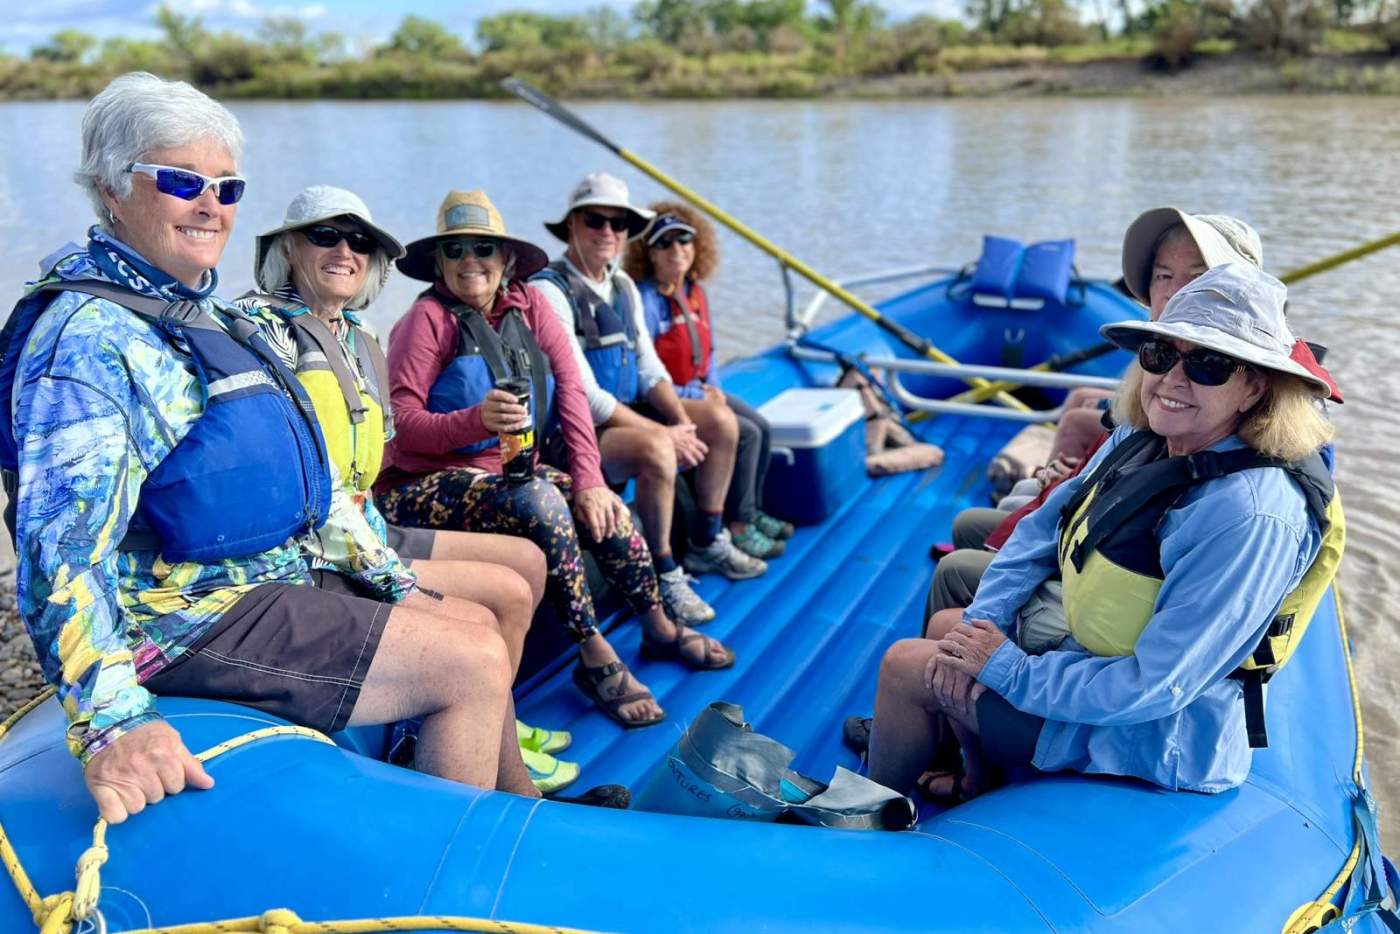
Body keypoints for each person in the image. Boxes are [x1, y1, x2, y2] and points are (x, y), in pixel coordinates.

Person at [4, 73, 533, 824]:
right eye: (183, 179)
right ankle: (450, 873)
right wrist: (112, 722)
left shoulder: (207, 314)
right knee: (471, 662)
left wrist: (394, 580)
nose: (210, 205)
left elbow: (315, 487)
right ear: (110, 189)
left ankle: (525, 813)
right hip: (175, 615)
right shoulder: (90, 341)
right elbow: (59, 548)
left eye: (227, 186)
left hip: (259, 576)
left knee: (477, 623)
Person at [868, 263, 1336, 801]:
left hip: (1153, 732)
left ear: (1255, 387)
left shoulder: (1249, 514)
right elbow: (1044, 527)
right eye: (1161, 354)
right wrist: (981, 630)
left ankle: (867, 820)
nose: (1173, 380)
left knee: (905, 666)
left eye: (1210, 364)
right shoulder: (1148, 433)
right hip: (1096, 661)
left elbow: (1159, 686)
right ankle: (979, 781)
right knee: (953, 626)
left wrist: (1008, 669)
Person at [236, 185, 578, 791]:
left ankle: (503, 745)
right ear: (287, 247)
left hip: (365, 529)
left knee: (524, 565)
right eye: (326, 235)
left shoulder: (358, 335)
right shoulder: (263, 337)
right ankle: (509, 786)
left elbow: (378, 454)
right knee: (482, 613)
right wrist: (397, 580)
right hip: (316, 552)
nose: (346, 250)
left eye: (361, 241)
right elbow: (305, 485)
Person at [376, 189, 735, 731]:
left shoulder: (530, 305)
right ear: (439, 263)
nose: (471, 260)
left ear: (507, 260)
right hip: (423, 481)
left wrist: (590, 481)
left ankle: (657, 623)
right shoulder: (425, 321)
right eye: (456, 251)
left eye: (484, 248)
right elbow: (401, 424)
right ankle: (593, 654)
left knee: (607, 508)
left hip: (506, 472)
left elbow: (570, 389)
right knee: (542, 500)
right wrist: (476, 421)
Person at [925, 210, 1269, 622]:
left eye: (1197, 277)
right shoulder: (1164, 402)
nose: (1175, 294)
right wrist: (1079, 483)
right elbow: (1125, 465)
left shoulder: (1246, 474)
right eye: (1163, 276)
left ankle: (954, 656)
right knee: (977, 524)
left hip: (1123, 580)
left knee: (953, 579)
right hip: (1108, 539)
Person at [531, 173, 765, 630]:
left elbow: (649, 366)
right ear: (572, 227)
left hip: (622, 415)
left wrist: (682, 422)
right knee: (659, 449)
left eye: (618, 225)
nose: (607, 233)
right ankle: (664, 572)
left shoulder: (622, 286)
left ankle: (706, 541)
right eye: (595, 220)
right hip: (572, 434)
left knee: (720, 421)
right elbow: (584, 394)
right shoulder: (549, 291)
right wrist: (663, 433)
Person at [623, 202, 794, 560]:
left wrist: (713, 387)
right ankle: (737, 528)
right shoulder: (647, 300)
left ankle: (748, 511)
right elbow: (645, 370)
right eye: (664, 244)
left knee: (760, 425)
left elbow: (709, 350)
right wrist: (696, 395)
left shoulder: (695, 290)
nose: (676, 250)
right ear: (649, 254)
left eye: (684, 240)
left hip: (700, 389)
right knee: (742, 431)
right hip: (666, 397)